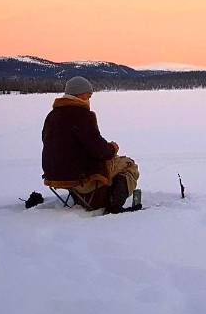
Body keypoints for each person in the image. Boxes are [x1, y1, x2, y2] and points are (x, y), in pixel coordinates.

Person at [42, 76, 140, 213]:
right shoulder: (82, 115)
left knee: (113, 161)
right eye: (88, 93)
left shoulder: (52, 116)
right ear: (78, 94)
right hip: (80, 176)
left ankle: (86, 197)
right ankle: (113, 204)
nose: (90, 96)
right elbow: (98, 150)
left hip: (55, 174)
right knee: (129, 165)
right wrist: (112, 148)